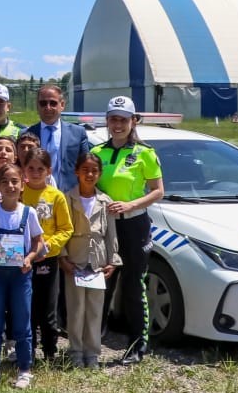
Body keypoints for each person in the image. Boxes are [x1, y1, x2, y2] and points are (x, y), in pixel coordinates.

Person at [94, 96, 164, 365]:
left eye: (124, 119)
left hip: (134, 224)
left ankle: (137, 345)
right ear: (108, 121)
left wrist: (131, 203)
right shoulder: (97, 151)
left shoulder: (145, 153)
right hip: (106, 226)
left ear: (134, 121)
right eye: (113, 118)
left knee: (134, 286)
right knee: (104, 283)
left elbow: (158, 191)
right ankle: (96, 338)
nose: (118, 124)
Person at [0, 164, 46, 389]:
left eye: (15, 181)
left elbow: (38, 242)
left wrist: (30, 258)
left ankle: (25, 369)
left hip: (20, 275)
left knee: (23, 322)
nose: (10, 186)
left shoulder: (28, 213)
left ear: (22, 185)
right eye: (5, 182)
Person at [63, 151, 122, 369]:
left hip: (98, 261)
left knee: (95, 310)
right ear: (77, 172)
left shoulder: (105, 201)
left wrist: (113, 259)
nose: (89, 174)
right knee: (76, 308)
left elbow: (111, 234)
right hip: (75, 261)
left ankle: (92, 352)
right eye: (85, 170)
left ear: (99, 174)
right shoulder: (68, 198)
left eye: (94, 171)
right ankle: (76, 351)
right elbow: (63, 230)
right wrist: (63, 257)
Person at [19, 148, 73, 363]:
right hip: (22, 258)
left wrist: (48, 246)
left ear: (48, 170)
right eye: (30, 168)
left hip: (48, 260)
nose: (35, 172)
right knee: (26, 306)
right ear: (24, 169)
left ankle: (50, 352)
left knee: (47, 308)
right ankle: (28, 350)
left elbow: (66, 228)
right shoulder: (20, 192)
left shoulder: (56, 196)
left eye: (40, 169)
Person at [21, 85, 90, 194]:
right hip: (36, 196)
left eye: (53, 103)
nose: (48, 107)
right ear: (37, 106)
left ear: (62, 105)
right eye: (43, 103)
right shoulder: (26, 135)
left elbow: (86, 166)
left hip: (69, 197)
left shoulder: (78, 133)